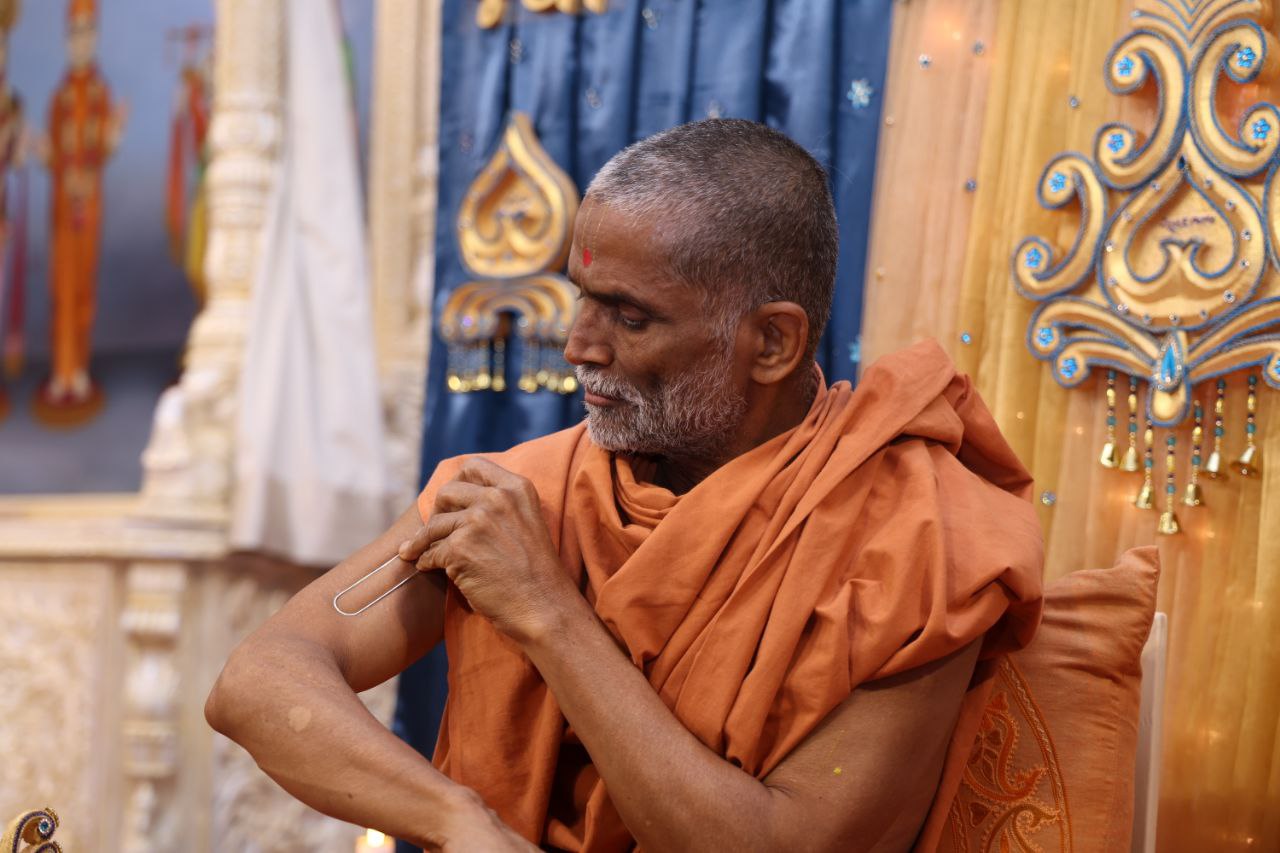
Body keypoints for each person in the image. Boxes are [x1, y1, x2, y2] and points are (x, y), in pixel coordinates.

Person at [206, 119, 1043, 852]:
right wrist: (459, 820)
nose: (578, 345)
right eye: (582, 299)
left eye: (629, 316)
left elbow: (778, 843)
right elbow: (260, 679)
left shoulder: (918, 538)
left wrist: (547, 611)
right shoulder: (526, 493)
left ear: (772, 344)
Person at [39, 0, 125, 409]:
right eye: (75, 32)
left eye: (88, 32)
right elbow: (54, 153)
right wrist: (45, 154)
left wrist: (113, 137)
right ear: (65, 39)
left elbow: (102, 149)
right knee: (62, 283)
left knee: (84, 283)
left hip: (89, 204)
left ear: (97, 37)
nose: (81, 41)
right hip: (62, 205)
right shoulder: (59, 98)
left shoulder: (100, 93)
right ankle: (62, 370)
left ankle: (80, 370)